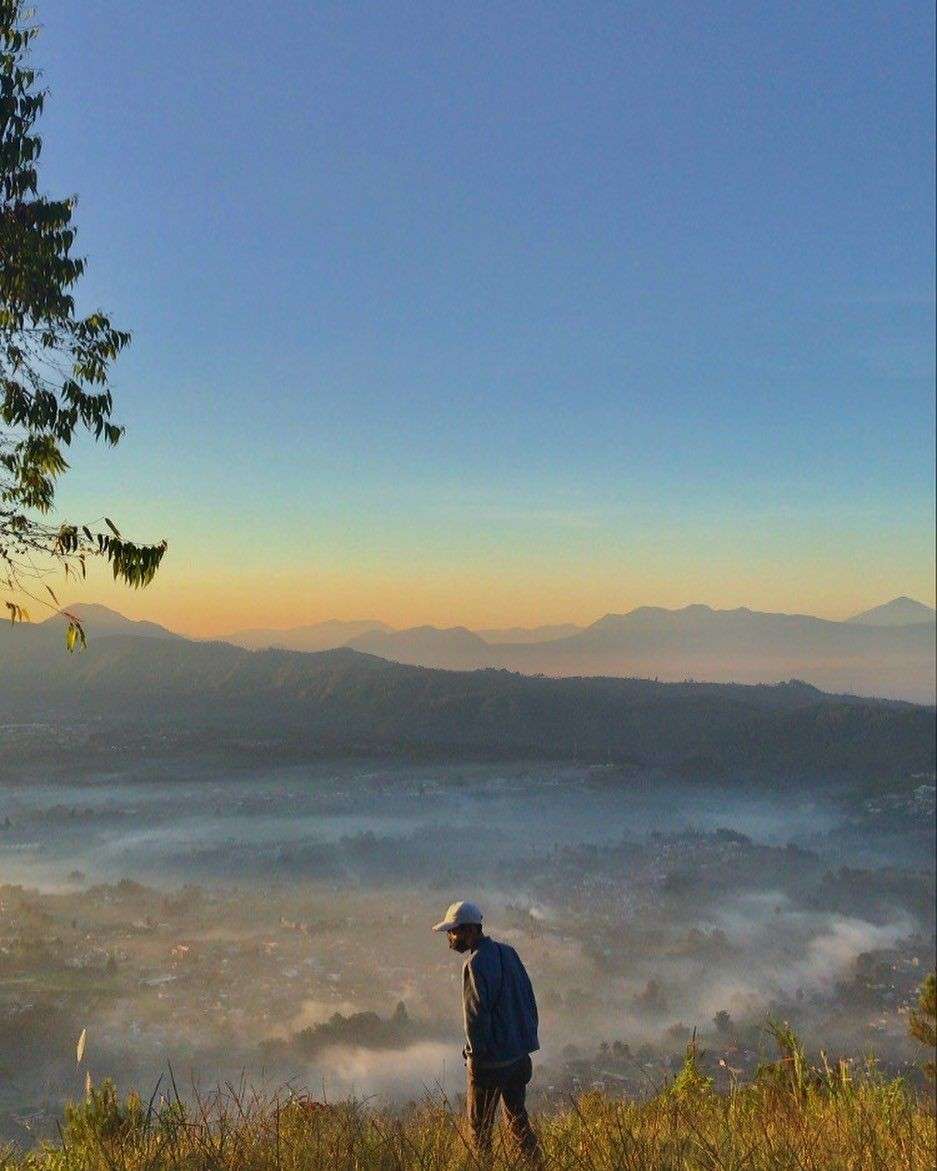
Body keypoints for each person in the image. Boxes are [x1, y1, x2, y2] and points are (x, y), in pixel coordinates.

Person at [432, 900, 541, 1162]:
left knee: (479, 1131)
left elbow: (476, 1019)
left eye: (453, 931)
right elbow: (528, 999)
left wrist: (473, 1056)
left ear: (470, 930)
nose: (450, 937)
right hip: (519, 1058)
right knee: (517, 1120)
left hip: (491, 1063)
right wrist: (525, 1042)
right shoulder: (509, 953)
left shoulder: (475, 964)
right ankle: (535, 1164)